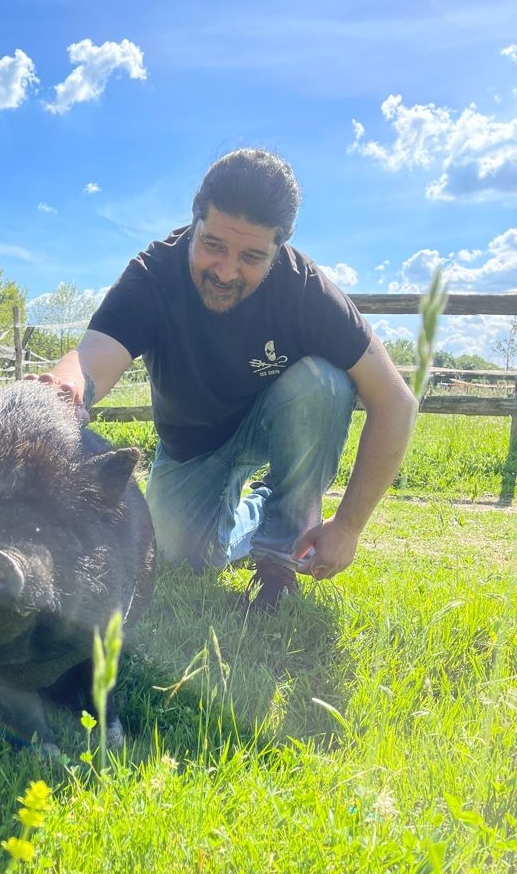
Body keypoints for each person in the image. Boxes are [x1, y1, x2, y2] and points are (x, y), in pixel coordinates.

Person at [26, 148, 418, 608]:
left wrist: (348, 526)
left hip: (276, 424)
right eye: (213, 245)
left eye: (251, 256)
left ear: (279, 247)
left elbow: (396, 403)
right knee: (176, 553)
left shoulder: (306, 289)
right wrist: (66, 388)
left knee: (325, 382)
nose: (226, 271)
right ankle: (259, 510)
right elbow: (91, 360)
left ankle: (278, 557)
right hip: (192, 446)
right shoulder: (153, 275)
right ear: (195, 221)